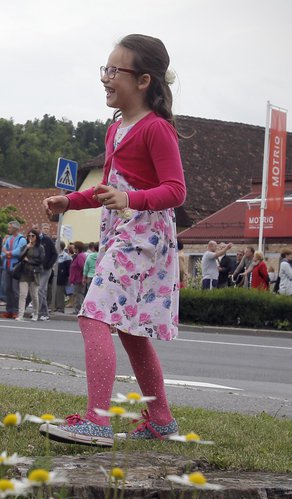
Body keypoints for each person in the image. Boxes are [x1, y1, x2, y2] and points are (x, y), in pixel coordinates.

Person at [39, 34, 185, 447]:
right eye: (104, 69)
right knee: (129, 329)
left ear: (143, 81)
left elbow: (176, 190)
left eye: (114, 71)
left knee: (94, 315)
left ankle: (97, 422)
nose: (105, 78)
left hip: (144, 234)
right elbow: (106, 189)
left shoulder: (156, 129)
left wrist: (131, 198)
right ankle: (160, 418)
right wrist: (69, 199)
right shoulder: (116, 129)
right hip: (121, 231)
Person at [16, 228, 45, 321]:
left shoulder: (40, 248)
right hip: (24, 272)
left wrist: (30, 261)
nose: (31, 237)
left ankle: (36, 313)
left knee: (34, 295)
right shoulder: (25, 246)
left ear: (36, 237)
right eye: (29, 236)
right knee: (22, 294)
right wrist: (26, 248)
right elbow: (20, 257)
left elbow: (41, 260)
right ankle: (20, 314)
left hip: (34, 273)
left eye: (33, 236)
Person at [0, 220, 26, 319]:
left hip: (15, 268)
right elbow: (2, 251)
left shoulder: (22, 239)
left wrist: (7, 253)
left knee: (15, 290)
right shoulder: (9, 238)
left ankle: (16, 310)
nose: (8, 229)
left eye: (10, 227)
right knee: (7, 289)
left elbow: (18, 252)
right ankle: (9, 310)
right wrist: (7, 253)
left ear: (15, 228)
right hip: (7, 266)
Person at [35, 224, 57, 320]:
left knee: (40, 289)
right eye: (44, 228)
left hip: (46, 269)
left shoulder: (49, 240)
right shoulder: (38, 239)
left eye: (47, 229)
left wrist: (49, 265)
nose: (46, 230)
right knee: (40, 290)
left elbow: (55, 254)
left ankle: (41, 312)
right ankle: (43, 312)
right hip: (38, 268)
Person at [52, 240, 72, 313]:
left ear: (60, 247)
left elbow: (68, 268)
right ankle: (55, 306)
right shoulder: (54, 255)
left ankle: (60, 308)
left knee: (60, 293)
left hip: (61, 277)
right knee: (54, 292)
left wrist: (67, 277)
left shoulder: (66, 256)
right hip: (53, 276)